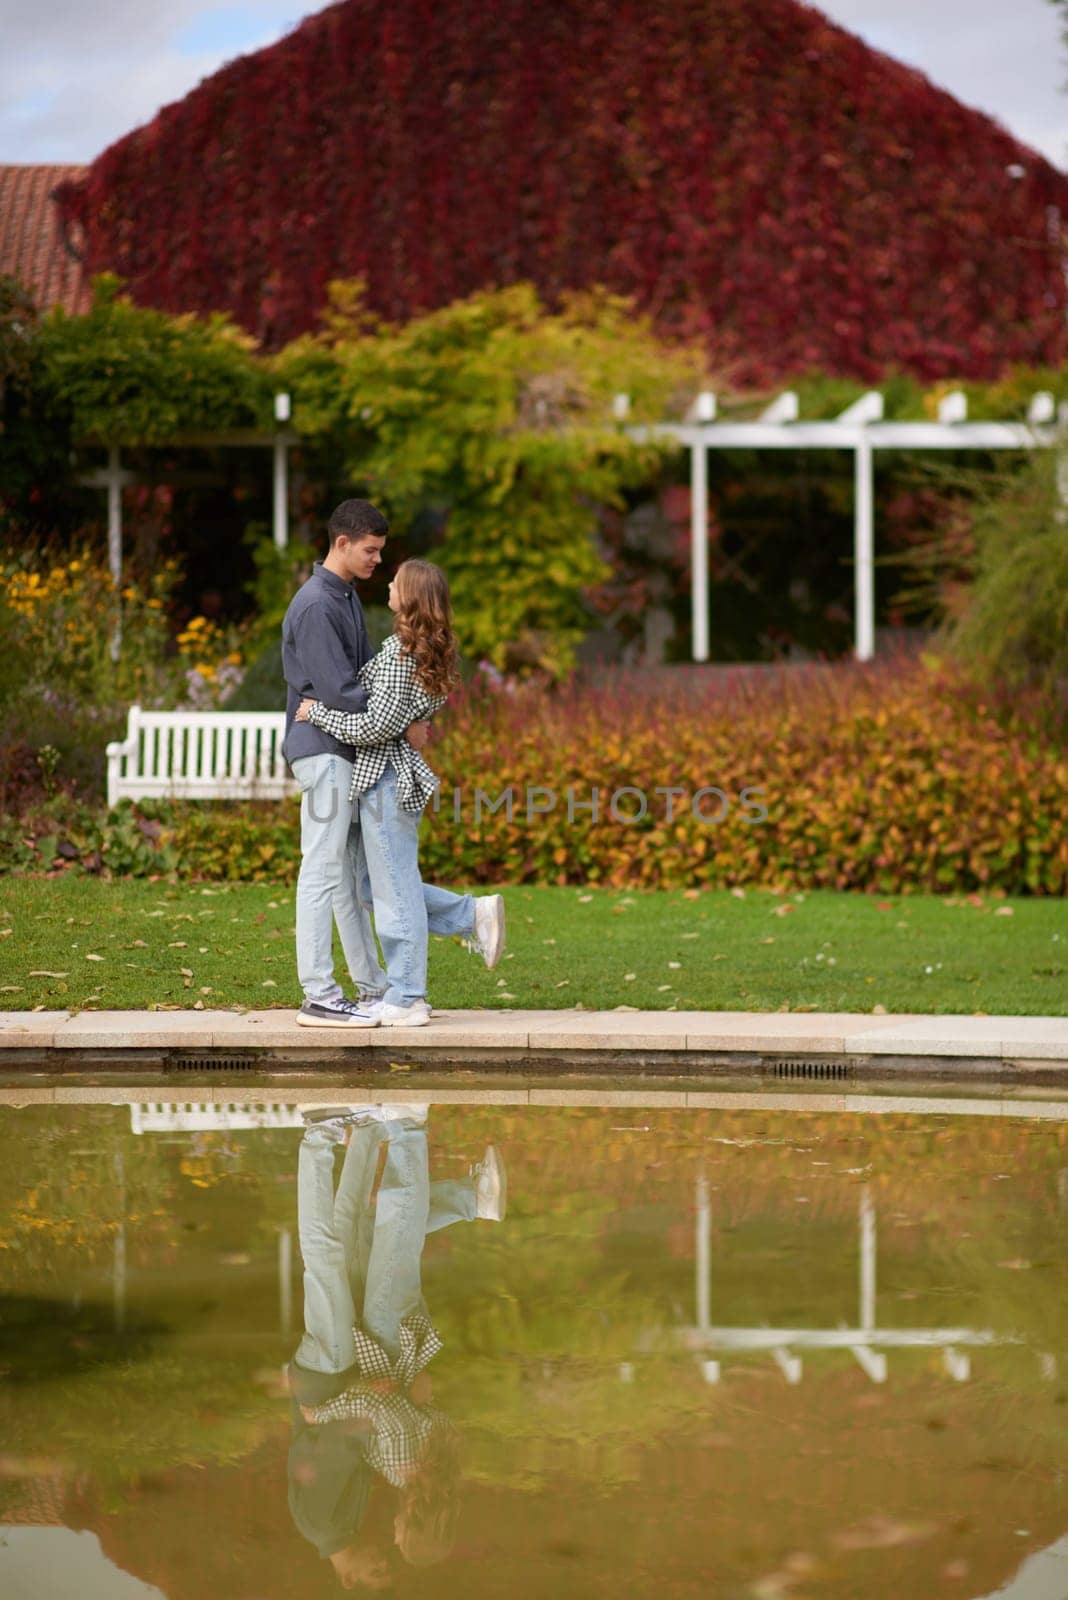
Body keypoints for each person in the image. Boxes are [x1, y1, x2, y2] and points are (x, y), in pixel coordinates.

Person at [282, 503, 503, 1029]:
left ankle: (392, 989)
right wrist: (400, 720)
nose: (379, 563)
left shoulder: (350, 604)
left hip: (365, 763)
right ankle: (345, 990)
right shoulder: (319, 605)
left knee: (367, 883)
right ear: (342, 543)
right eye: (372, 551)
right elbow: (346, 692)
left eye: (384, 556)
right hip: (332, 753)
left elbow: (371, 698)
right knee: (339, 876)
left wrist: (399, 719)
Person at [287, 1104, 505, 1586]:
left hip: (391, 1348)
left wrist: (404, 1399)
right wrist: (327, 1414)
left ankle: (467, 1194)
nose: (391, 1532)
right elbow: (380, 1407)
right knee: (391, 1238)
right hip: (382, 1345)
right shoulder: (403, 1466)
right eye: (400, 1537)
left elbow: (422, 1401)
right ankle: (405, 1128)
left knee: (374, 1232)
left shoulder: (438, 1466)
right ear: (416, 1522)